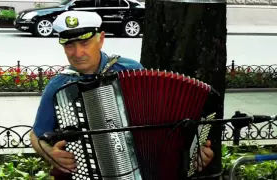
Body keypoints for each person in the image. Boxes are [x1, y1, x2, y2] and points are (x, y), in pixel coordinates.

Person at [29, 10, 214, 179]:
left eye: (85, 43)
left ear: (101, 39)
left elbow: (166, 121)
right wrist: (51, 155)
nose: (78, 53)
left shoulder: (132, 70)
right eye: (69, 45)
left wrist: (193, 151)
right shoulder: (59, 87)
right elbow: (35, 136)